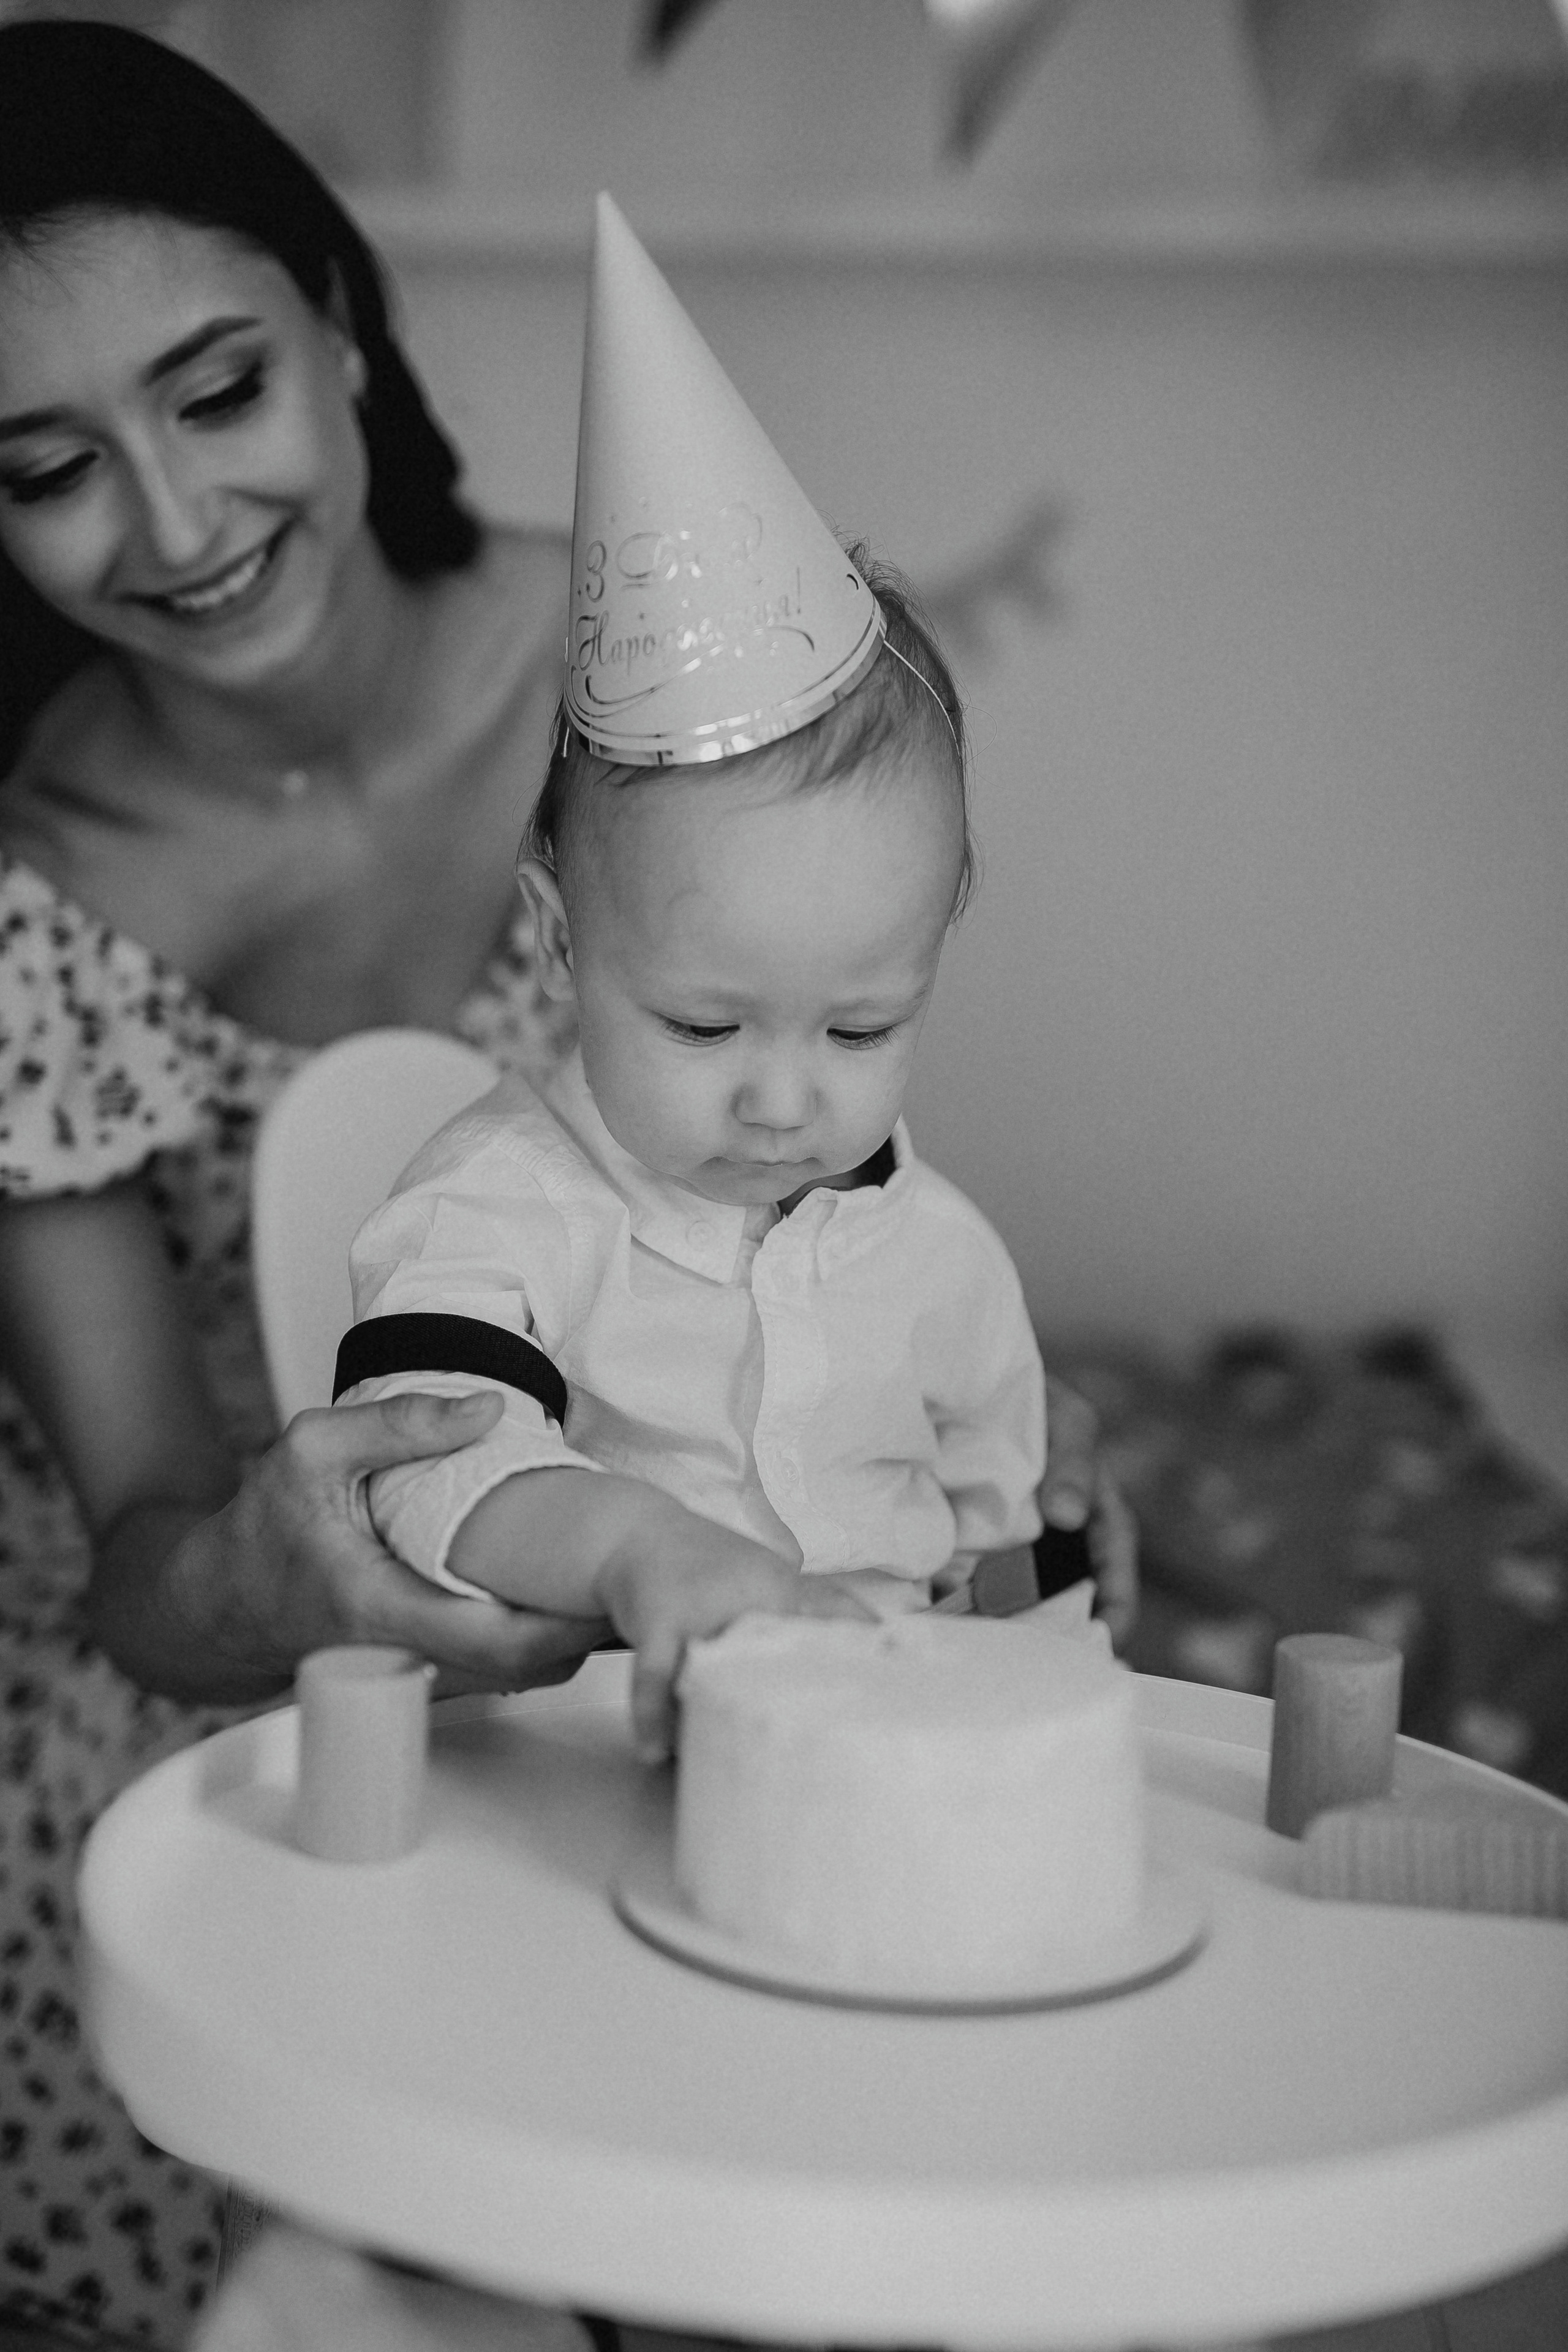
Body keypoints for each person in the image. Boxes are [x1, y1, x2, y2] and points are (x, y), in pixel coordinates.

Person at [0, 32, 1128, 2346]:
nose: (178, 519)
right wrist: (318, 1566)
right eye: (45, 466)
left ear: (337, 316)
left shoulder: (688, 719)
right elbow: (147, 1544)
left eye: (217, 391)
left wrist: (1012, 1520)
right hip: (274, 1688)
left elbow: (920, 1346)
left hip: (753, 1698)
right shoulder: (35, 894)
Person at [342, 201, 1123, 1766]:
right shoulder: (497, 1206)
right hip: (580, 1763)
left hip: (876, 1777)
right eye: (702, 1025)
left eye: (862, 1025)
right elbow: (426, 1459)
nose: (783, 1097)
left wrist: (1043, 1655)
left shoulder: (939, 1255)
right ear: (561, 939)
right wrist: (639, 1549)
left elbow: (1009, 1523)